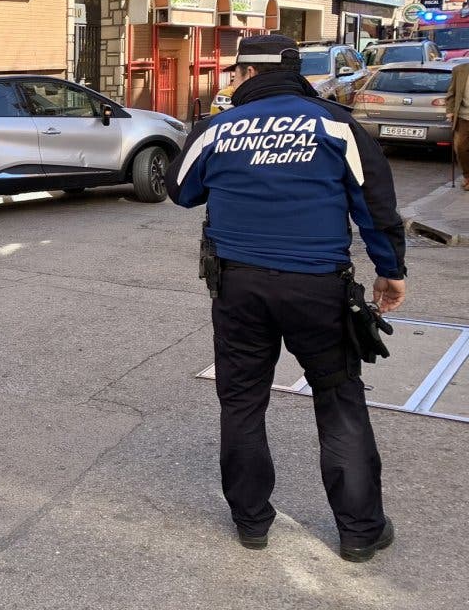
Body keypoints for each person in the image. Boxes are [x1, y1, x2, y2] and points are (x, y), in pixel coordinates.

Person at [166, 34, 407, 563]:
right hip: (319, 287)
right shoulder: (336, 124)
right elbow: (376, 204)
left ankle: (252, 523)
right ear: (295, 71)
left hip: (238, 287)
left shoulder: (218, 128)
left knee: (243, 400)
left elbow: (181, 190)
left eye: (235, 73)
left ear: (248, 73)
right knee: (339, 399)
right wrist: (391, 272)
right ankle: (361, 531)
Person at [447, 61, 469, 190]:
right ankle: (467, 175)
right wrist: (450, 112)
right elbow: (451, 94)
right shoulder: (459, 70)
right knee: (461, 148)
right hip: (463, 116)